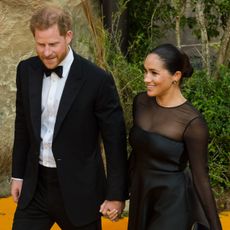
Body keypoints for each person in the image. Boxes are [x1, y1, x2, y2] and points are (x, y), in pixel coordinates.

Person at [11, 5, 128, 230]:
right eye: (40, 44)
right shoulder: (26, 70)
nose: (46, 52)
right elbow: (23, 124)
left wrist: (116, 195)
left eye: (53, 44)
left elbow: (115, 140)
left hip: (80, 191)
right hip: (36, 187)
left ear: (68, 36)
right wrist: (17, 175)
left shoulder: (97, 79)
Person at [128, 43, 222, 230]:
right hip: (142, 195)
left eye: (154, 73)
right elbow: (137, 153)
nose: (146, 79)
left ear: (176, 76)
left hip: (173, 200)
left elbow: (201, 177)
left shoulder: (192, 122)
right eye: (145, 71)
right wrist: (118, 193)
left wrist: (215, 227)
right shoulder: (140, 102)